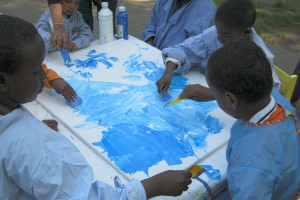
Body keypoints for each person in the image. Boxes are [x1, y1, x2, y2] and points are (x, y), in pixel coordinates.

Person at [0, 15, 192, 199]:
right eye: (36, 72)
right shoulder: (29, 149)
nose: (45, 76)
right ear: (2, 80)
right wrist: (150, 187)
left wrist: (32, 127)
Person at [205, 40, 300, 199]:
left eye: (215, 95)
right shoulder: (279, 101)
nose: (214, 98)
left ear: (231, 99)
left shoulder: (250, 163)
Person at [157, 0, 280, 97]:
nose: (219, 38)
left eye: (226, 35)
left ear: (246, 32)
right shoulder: (218, 32)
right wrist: (168, 71)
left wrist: (213, 94)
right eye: (218, 31)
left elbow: (264, 97)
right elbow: (185, 49)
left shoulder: (262, 58)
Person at [142, 0, 216, 50]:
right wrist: (149, 45)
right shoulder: (164, 1)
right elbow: (152, 25)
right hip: (154, 57)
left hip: (180, 68)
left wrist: (172, 62)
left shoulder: (206, 12)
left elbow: (196, 51)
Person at [47, 0, 118, 50]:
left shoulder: (77, 17)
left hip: (73, 54)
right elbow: (40, 41)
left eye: (76, 3)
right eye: (68, 1)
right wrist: (54, 41)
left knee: (109, 29)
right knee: (86, 18)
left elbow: (87, 34)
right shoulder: (47, 19)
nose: (72, 6)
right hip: (56, 60)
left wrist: (75, 44)